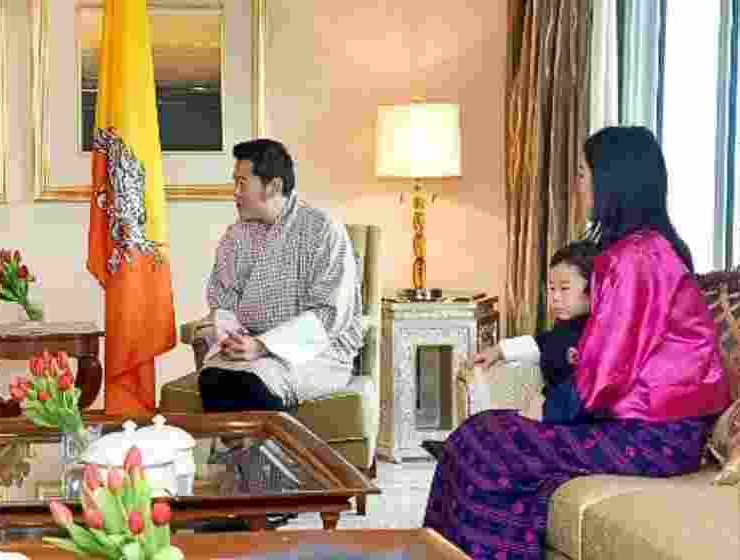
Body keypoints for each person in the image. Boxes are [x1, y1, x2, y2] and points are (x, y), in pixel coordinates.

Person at [423, 126, 732, 560]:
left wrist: (549, 407)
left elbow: (608, 369)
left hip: (653, 438)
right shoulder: (648, 250)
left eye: (583, 173)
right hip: (653, 429)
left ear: (611, 181)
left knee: (479, 443)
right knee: (479, 439)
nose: (578, 184)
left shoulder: (636, 258)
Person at [197, 139, 365, 414]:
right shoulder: (235, 236)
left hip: (318, 351)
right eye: (234, 183)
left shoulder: (323, 229)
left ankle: (263, 457)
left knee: (252, 383)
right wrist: (235, 340)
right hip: (248, 347)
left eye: (242, 183)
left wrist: (263, 346)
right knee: (214, 378)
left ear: (273, 186)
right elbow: (223, 301)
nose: (235, 193)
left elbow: (329, 313)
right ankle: (247, 454)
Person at [470, 240, 599, 423]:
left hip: (571, 420)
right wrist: (498, 351)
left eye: (564, 289)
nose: (555, 297)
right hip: (547, 413)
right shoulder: (563, 328)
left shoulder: (602, 333)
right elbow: (541, 343)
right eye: (552, 288)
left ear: (593, 288)